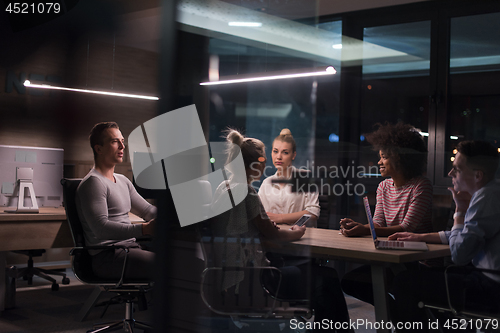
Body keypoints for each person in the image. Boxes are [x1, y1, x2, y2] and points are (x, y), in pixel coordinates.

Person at [209, 128, 350, 332]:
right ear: (258, 162)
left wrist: (268, 223)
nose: (273, 159)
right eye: (270, 153)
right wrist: (296, 232)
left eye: (284, 151)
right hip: (256, 278)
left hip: (230, 274)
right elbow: (273, 232)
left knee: (321, 276)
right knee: (326, 279)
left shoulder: (223, 187)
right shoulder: (249, 192)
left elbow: (259, 222)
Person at [388, 140, 500, 332]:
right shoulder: (492, 192)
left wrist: (460, 212)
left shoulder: (485, 197)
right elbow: (464, 235)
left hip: (490, 287)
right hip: (488, 279)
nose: (450, 174)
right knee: (419, 279)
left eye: (456, 169)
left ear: (477, 175)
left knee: (404, 283)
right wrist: (421, 237)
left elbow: (459, 254)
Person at [340, 122, 433, 305]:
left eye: (384, 157)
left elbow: (407, 229)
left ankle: (399, 315)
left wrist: (364, 230)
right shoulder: (383, 186)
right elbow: (378, 224)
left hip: (418, 260)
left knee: (395, 284)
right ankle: (395, 313)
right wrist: (359, 227)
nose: (379, 162)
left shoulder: (421, 186)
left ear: (399, 157)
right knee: (350, 282)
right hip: (391, 256)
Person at [76, 122, 156, 280]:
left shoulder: (122, 180)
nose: (122, 146)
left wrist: (171, 218)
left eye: (122, 141)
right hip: (108, 257)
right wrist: (144, 229)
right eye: (114, 141)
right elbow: (101, 229)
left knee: (180, 257)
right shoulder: (93, 183)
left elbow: (147, 210)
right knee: (171, 266)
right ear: (98, 149)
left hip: (130, 249)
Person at [258, 128, 320, 227]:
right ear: (271, 153)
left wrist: (281, 218)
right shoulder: (267, 183)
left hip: (301, 235)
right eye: (275, 151)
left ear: (293, 155)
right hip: (275, 235)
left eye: (285, 152)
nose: (279, 157)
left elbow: (313, 213)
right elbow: (259, 214)